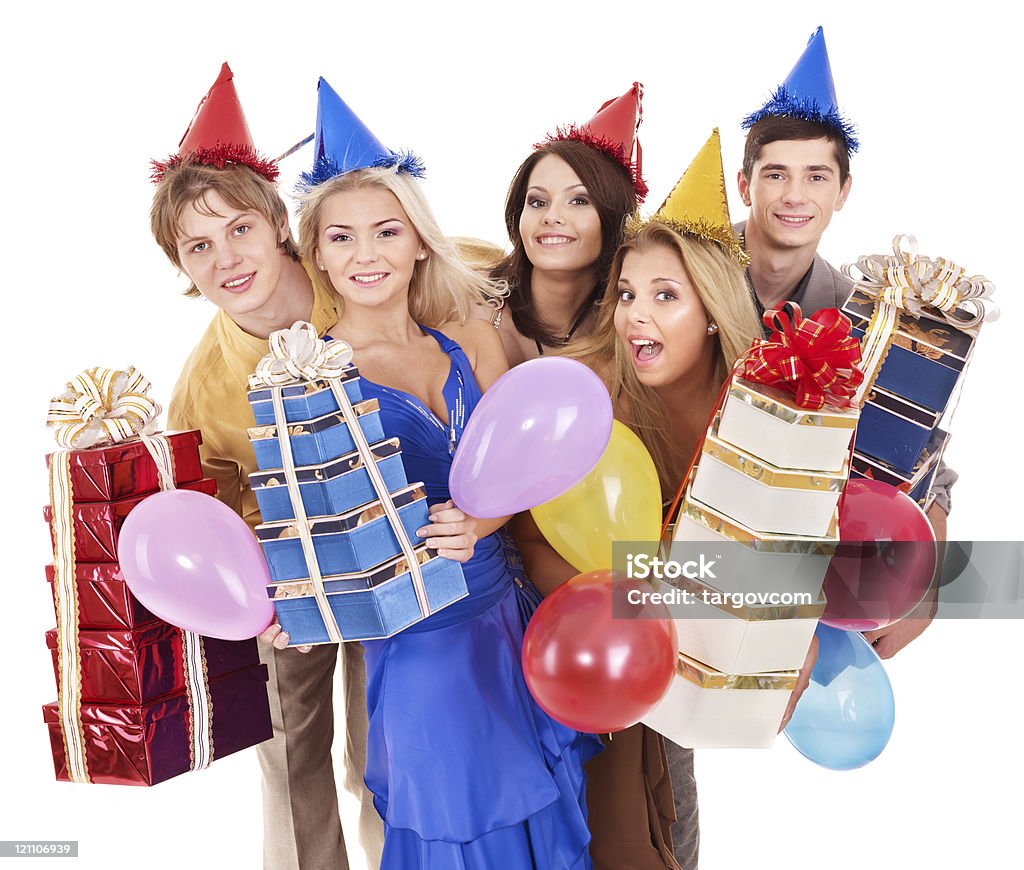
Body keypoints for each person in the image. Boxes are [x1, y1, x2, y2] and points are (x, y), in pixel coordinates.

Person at [295, 76, 600, 869]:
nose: (367, 255)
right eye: (341, 238)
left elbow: (526, 470)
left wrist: (487, 521)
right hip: (424, 647)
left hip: (510, 621)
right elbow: (320, 526)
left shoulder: (468, 339)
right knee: (460, 830)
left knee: (538, 825)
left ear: (419, 240)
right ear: (317, 255)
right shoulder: (312, 378)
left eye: (386, 232)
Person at [515, 131, 820, 870]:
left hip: (700, 657)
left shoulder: (764, 415)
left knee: (674, 816)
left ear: (713, 311)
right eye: (624, 294)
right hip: (590, 653)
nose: (633, 315)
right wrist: (643, 600)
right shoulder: (592, 396)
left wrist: (793, 636)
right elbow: (530, 538)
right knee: (618, 823)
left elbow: (792, 556)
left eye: (664, 296)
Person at [150, 64, 382, 870]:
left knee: (383, 753)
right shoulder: (203, 383)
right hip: (285, 583)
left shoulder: (356, 278)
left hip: (400, 550)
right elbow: (207, 505)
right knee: (291, 759)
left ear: (278, 223)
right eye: (198, 246)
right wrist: (264, 584)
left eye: (238, 229)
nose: (226, 258)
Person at [736, 26, 953, 656]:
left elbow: (926, 465)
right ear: (746, 183)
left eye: (816, 176)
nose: (795, 196)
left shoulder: (865, 314)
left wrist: (926, 587)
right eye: (775, 174)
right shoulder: (678, 276)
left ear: (843, 191)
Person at [487, 83, 646, 364]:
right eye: (537, 202)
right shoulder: (470, 311)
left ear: (614, 217)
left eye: (579, 201)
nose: (551, 216)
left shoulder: (630, 330)